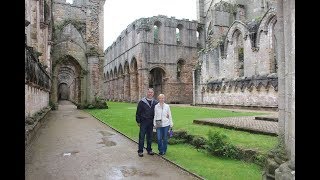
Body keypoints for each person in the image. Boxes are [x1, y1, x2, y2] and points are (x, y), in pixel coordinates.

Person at [136, 88, 158, 157]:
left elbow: (159, 111)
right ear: (147, 93)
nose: (150, 93)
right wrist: (138, 121)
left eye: (151, 92)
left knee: (150, 137)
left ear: (153, 93)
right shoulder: (142, 102)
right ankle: (140, 151)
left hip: (151, 122)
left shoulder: (155, 102)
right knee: (142, 137)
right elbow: (138, 112)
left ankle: (149, 149)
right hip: (143, 122)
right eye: (149, 92)